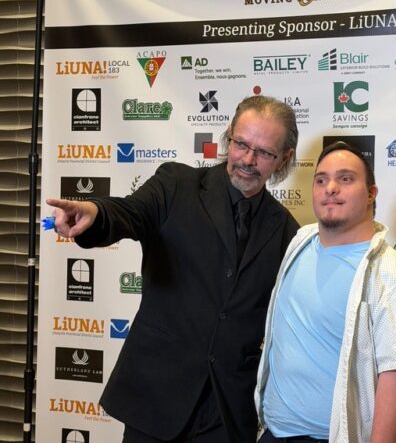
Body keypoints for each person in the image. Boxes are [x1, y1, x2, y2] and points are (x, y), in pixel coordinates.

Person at [47, 95, 300, 443]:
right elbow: (130, 212)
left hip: (226, 411)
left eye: (264, 152)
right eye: (241, 144)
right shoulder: (177, 184)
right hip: (157, 396)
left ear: (284, 157)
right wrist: (96, 213)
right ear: (229, 136)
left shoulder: (287, 230)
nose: (247, 160)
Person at [255, 142, 396, 443]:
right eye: (321, 180)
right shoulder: (300, 242)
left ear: (371, 193)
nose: (330, 188)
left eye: (345, 179)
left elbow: (395, 376)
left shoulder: (392, 274)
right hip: (273, 432)